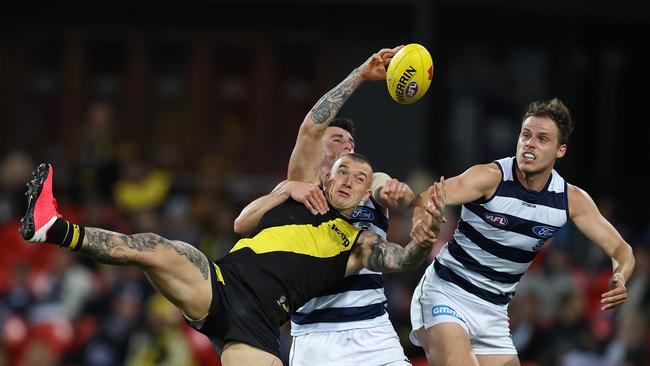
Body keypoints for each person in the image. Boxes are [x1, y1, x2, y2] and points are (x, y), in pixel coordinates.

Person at [19, 152, 445, 366]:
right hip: (218, 284)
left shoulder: (356, 242)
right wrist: (283, 190)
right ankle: (54, 228)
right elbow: (243, 222)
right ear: (325, 176)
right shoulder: (294, 194)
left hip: (256, 327)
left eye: (361, 178)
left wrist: (422, 242)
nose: (350, 180)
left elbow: (403, 259)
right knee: (155, 248)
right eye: (343, 171)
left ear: (367, 192)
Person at [409, 98, 636, 366]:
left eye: (542, 139)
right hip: (446, 292)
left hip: (493, 312)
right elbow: (427, 198)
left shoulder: (569, 200)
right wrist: (421, 227)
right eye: (526, 135)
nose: (530, 143)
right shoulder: (489, 178)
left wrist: (620, 276)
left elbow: (623, 251)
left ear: (560, 150)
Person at [233, 46, 417, 365]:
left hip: (370, 331)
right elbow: (310, 127)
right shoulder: (300, 189)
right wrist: (361, 74)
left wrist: (399, 196)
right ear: (318, 147)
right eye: (336, 140)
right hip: (312, 337)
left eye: (351, 144)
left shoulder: (366, 184)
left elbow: (387, 189)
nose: (346, 145)